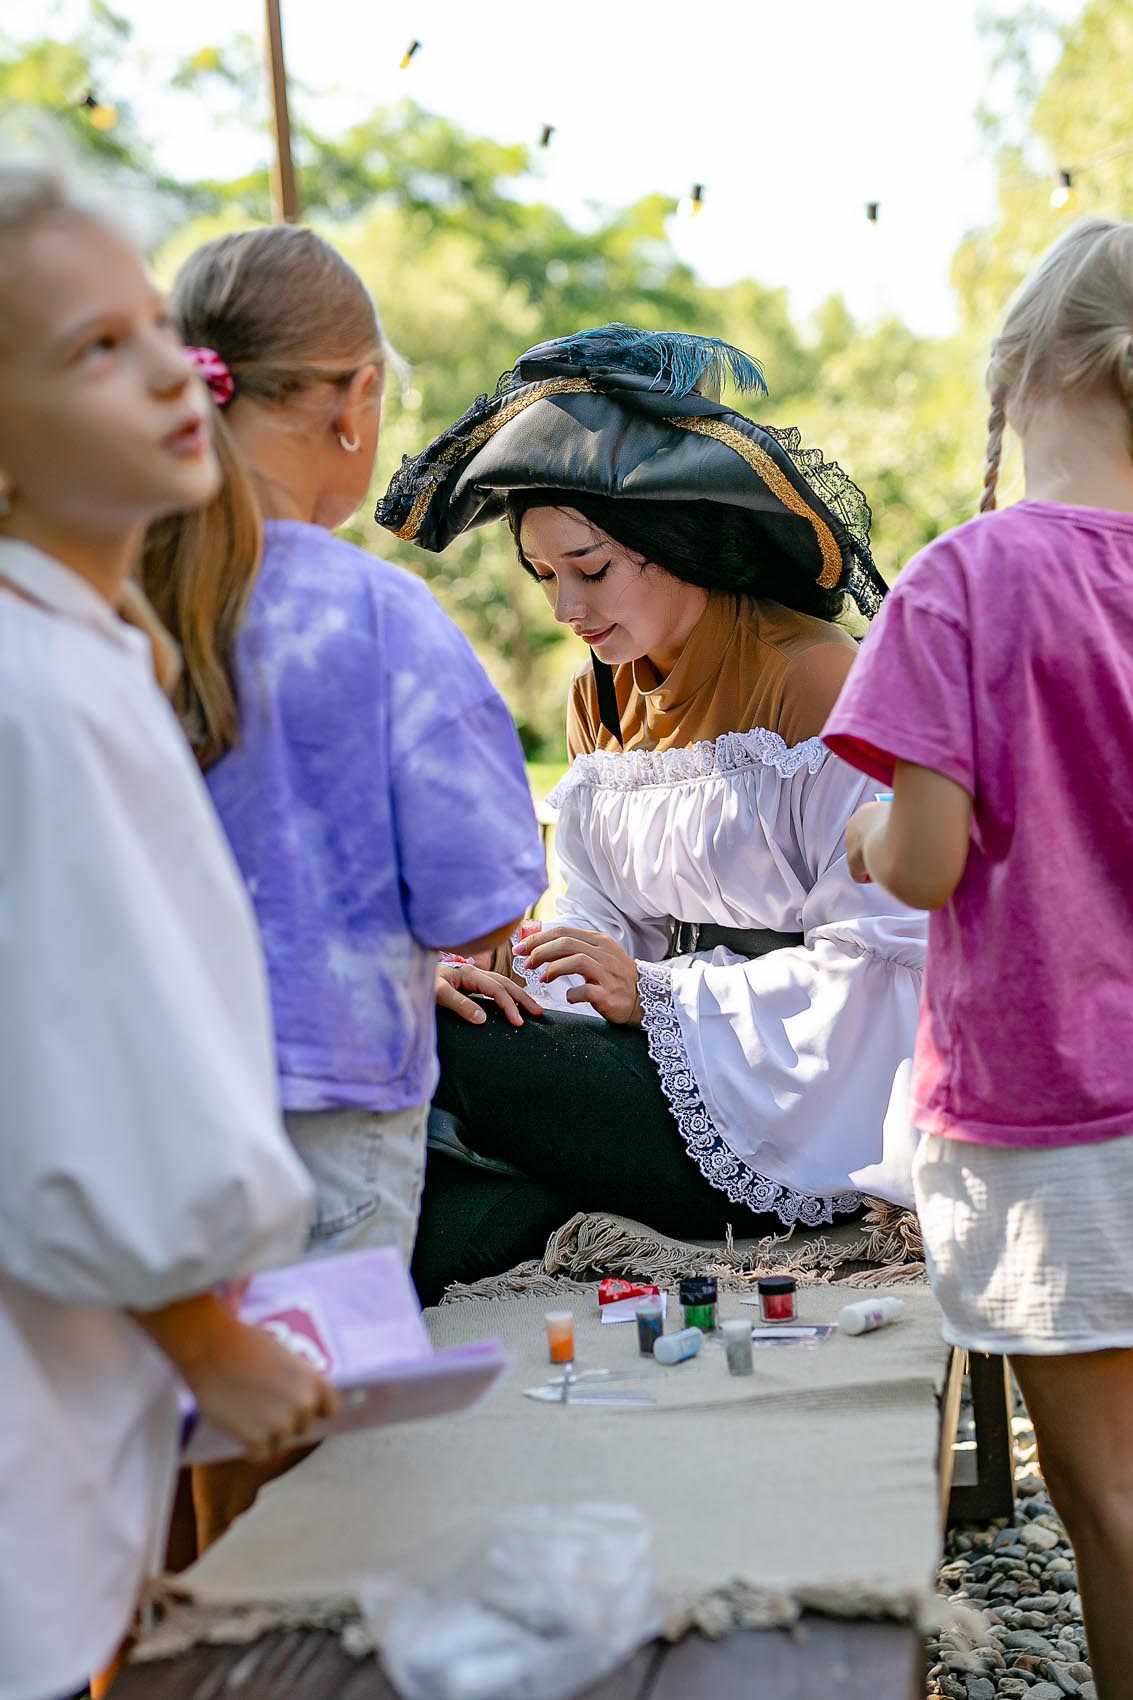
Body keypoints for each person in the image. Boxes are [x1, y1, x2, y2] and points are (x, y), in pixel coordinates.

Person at [376, 324, 927, 1298]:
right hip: (650, 1070)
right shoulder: (598, 693)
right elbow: (589, 930)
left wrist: (663, 995)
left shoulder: (812, 681)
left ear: (673, 538)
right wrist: (504, 976)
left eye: (589, 567)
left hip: (802, 1104)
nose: (565, 609)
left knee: (443, 1057)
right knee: (430, 1023)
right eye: (544, 575)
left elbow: (889, 964)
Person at [0, 161, 334, 1700]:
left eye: (154, 330)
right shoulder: (37, 696)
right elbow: (61, 1080)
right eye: (90, 348)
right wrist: (213, 1344)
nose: (163, 373)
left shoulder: (78, 652)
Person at [823, 219, 1133, 1700]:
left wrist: (864, 846)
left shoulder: (966, 579)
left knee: (1115, 1509)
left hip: (1050, 1112)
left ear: (1015, 379)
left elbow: (925, 860)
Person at [141, 226, 546, 1275]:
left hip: (135, 1096)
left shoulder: (105, 596)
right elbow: (481, 904)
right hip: (337, 1110)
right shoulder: (381, 618)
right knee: (332, 1420)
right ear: (353, 401)